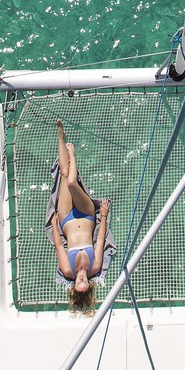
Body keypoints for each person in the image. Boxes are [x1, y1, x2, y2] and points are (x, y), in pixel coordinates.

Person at [52, 121, 110, 314]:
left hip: (67, 218)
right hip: (86, 215)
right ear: (89, 285)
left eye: (79, 283)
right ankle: (72, 154)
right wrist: (103, 215)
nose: (82, 279)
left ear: (74, 285)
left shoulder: (68, 270)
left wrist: (54, 225)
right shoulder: (95, 266)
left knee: (64, 173)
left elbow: (60, 245)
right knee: (71, 183)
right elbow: (100, 240)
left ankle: (61, 137)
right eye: (85, 282)